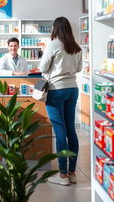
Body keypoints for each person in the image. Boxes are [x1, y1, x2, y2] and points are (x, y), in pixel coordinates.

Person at [39, 16, 82, 186]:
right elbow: (78, 69)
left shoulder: (53, 44)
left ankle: (63, 175)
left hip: (56, 90)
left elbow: (42, 68)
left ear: (55, 28)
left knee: (59, 131)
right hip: (72, 89)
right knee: (71, 130)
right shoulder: (76, 47)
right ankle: (72, 173)